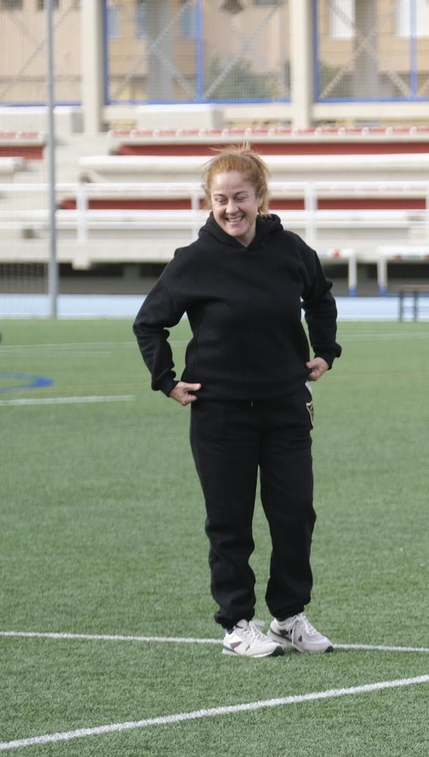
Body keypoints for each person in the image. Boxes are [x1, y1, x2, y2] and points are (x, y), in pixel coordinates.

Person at [133, 144, 341, 658]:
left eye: (240, 198)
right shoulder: (193, 261)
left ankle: (288, 618)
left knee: (294, 515)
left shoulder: (291, 250)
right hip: (221, 414)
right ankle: (237, 624)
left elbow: (320, 297)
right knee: (230, 523)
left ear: (260, 198)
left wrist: (326, 350)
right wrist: (167, 380)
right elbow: (149, 322)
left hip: (287, 408)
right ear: (209, 201)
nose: (231, 209)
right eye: (221, 199)